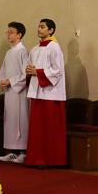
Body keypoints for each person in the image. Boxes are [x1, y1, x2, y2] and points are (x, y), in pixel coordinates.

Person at [25, 18, 67, 169]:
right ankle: (36, 158)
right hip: (37, 92)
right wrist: (29, 72)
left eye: (42, 27)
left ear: (51, 30)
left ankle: (52, 159)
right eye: (38, 27)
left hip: (51, 93)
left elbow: (58, 70)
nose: (39, 29)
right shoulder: (35, 48)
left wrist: (37, 72)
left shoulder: (54, 47)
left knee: (49, 128)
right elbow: (30, 67)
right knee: (37, 129)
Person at [0, 22, 29, 164]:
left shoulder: (23, 52)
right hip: (10, 92)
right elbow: (3, 70)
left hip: (19, 93)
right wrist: (3, 81)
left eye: (11, 32)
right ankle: (13, 151)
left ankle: (23, 152)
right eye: (8, 32)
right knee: (10, 120)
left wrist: (11, 81)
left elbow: (25, 74)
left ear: (19, 35)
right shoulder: (9, 52)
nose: (8, 34)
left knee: (20, 121)